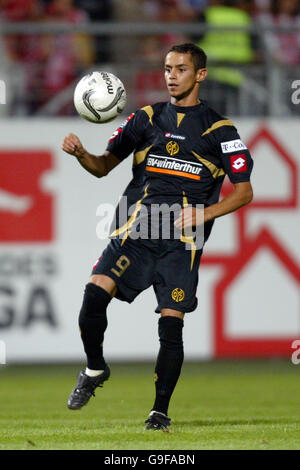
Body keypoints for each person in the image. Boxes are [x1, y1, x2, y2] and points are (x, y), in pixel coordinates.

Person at [62, 43, 254, 432]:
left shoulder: (221, 130)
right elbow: (102, 167)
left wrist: (205, 212)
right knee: (94, 294)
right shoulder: (145, 118)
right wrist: (82, 153)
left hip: (181, 243)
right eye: (167, 68)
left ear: (200, 75)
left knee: (171, 325)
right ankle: (95, 368)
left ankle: (159, 412)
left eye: (180, 69)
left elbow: (244, 191)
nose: (171, 75)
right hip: (137, 232)